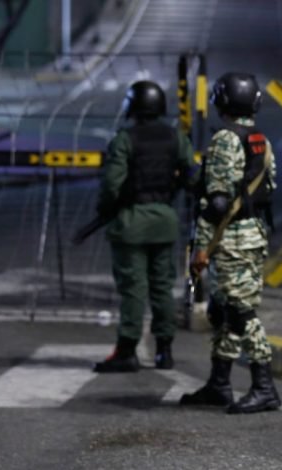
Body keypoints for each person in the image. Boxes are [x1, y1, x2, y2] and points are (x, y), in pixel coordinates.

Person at [178, 71, 280, 414]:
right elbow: (268, 187)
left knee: (241, 312)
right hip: (252, 234)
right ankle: (219, 383)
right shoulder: (259, 139)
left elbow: (218, 203)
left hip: (231, 237)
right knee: (224, 310)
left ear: (221, 100)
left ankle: (265, 387)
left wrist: (201, 248)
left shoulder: (225, 139)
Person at [93, 80, 198, 373]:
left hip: (132, 223)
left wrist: (105, 208)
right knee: (162, 286)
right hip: (164, 220)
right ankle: (164, 350)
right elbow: (192, 176)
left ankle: (127, 350)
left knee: (133, 288)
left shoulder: (125, 140)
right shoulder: (176, 138)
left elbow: (112, 184)